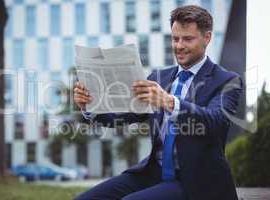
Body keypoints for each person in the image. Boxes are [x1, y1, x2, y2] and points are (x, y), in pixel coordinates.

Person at [73, 5, 242, 200]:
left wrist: (170, 102)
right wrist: (90, 107)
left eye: (187, 39)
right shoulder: (159, 78)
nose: (179, 46)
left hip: (197, 180)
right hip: (154, 172)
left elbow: (216, 121)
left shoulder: (227, 80)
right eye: (175, 38)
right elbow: (125, 116)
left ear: (207, 38)